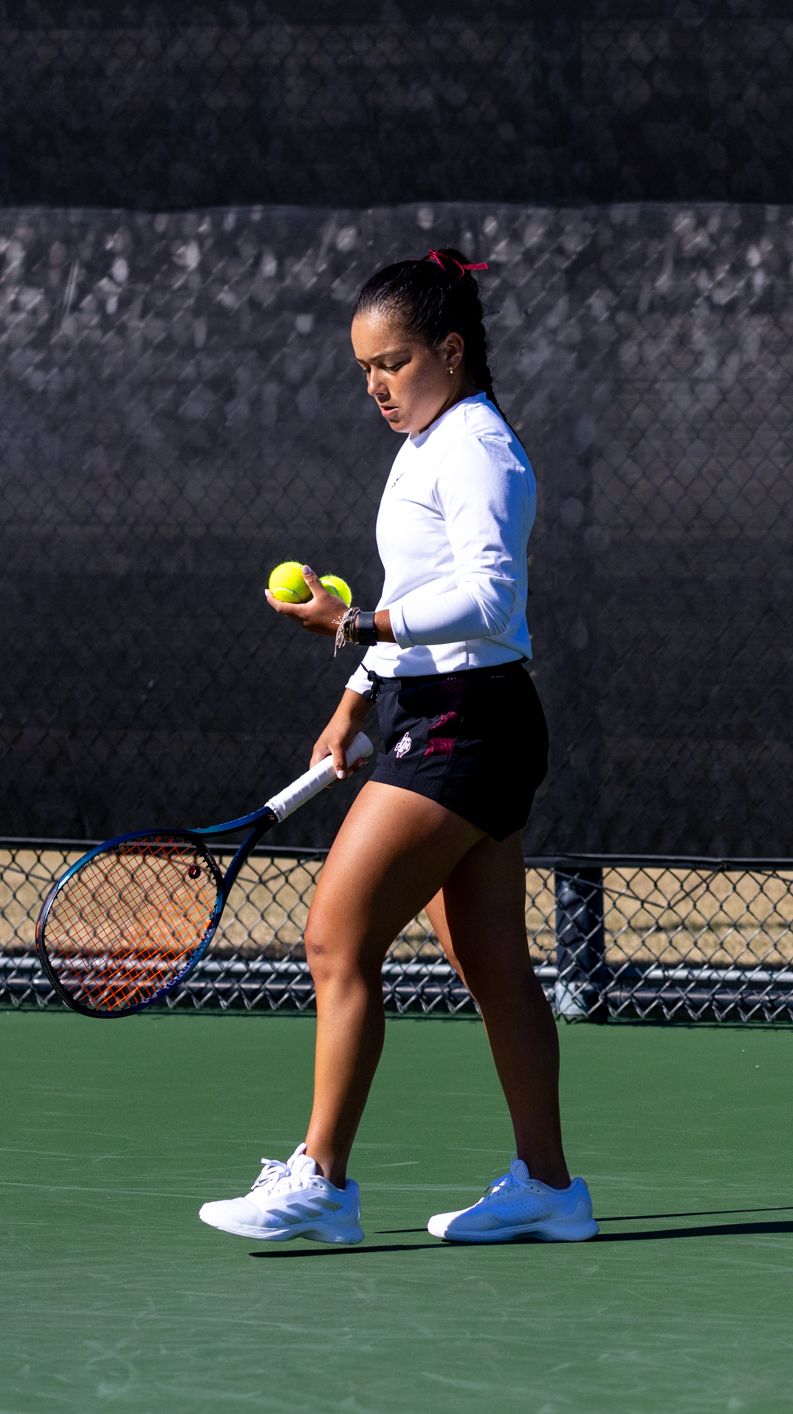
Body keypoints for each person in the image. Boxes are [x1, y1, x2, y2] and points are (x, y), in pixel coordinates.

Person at [197, 250, 597, 1246]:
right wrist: (355, 694)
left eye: (396, 361)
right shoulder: (424, 443)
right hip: (445, 713)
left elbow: (487, 599)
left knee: (336, 935)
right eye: (366, 368)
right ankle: (549, 1188)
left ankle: (322, 1181)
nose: (378, 385)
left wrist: (357, 628)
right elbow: (412, 585)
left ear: (451, 351)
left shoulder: (476, 449)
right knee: (491, 961)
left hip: (472, 724)